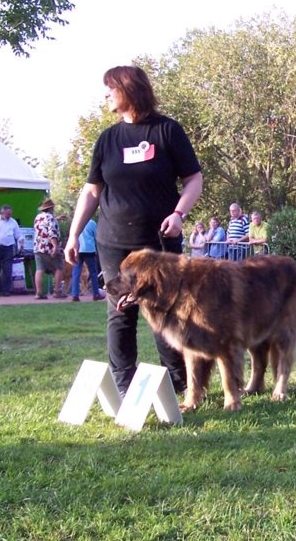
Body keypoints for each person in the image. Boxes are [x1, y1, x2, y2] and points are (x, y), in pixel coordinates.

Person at [64, 65, 203, 397]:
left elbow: (194, 179)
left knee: (164, 313)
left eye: (111, 87)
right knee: (120, 313)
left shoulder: (168, 131)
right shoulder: (107, 139)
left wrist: (179, 213)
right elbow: (92, 191)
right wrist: (73, 234)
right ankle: (125, 388)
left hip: (159, 243)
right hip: (113, 242)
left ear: (129, 88)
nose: (106, 95)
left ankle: (181, 385)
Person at [33, 198, 66, 300]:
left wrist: (57, 218)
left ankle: (39, 292)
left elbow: (44, 226)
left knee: (39, 269)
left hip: (38, 247)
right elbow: (52, 232)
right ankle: (57, 291)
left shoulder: (38, 217)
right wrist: (55, 246)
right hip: (49, 247)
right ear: (51, 208)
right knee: (59, 268)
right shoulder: (50, 217)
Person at [0, 204, 23, 296]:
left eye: (10, 214)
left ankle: (6, 290)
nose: (9, 216)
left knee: (7, 270)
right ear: (2, 213)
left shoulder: (13, 222)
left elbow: (18, 234)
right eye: (8, 214)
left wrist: (21, 241)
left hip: (8, 247)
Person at [70, 219, 104, 301]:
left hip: (77, 249)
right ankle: (96, 294)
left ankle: (75, 295)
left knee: (76, 272)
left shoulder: (75, 222)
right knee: (93, 272)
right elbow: (96, 236)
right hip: (89, 249)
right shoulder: (92, 223)